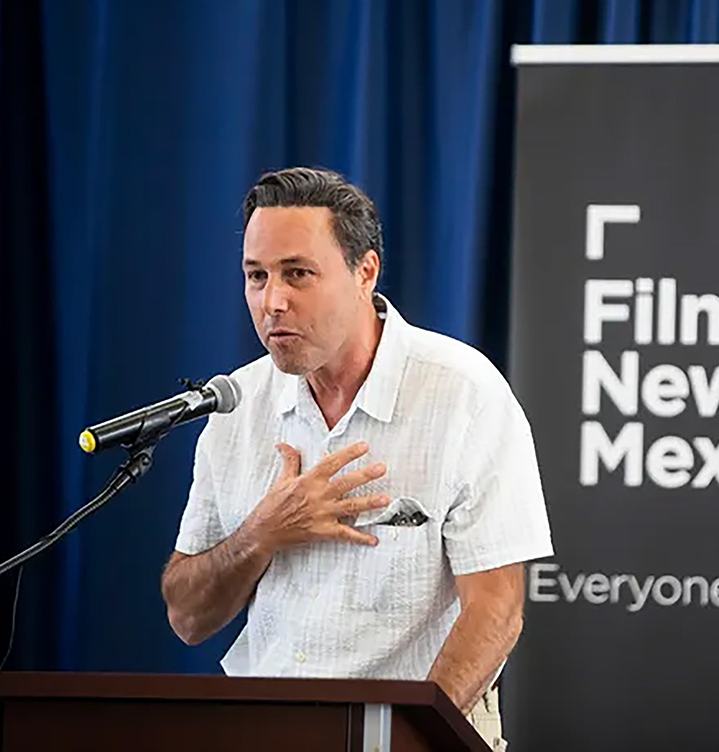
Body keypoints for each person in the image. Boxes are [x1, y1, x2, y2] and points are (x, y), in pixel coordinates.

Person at [160, 166, 552, 750]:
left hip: (414, 737)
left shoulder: (464, 393)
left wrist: (409, 739)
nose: (273, 302)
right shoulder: (236, 408)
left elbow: (497, 610)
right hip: (262, 732)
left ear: (364, 271)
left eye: (298, 274)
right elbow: (188, 618)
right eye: (256, 276)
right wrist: (262, 534)